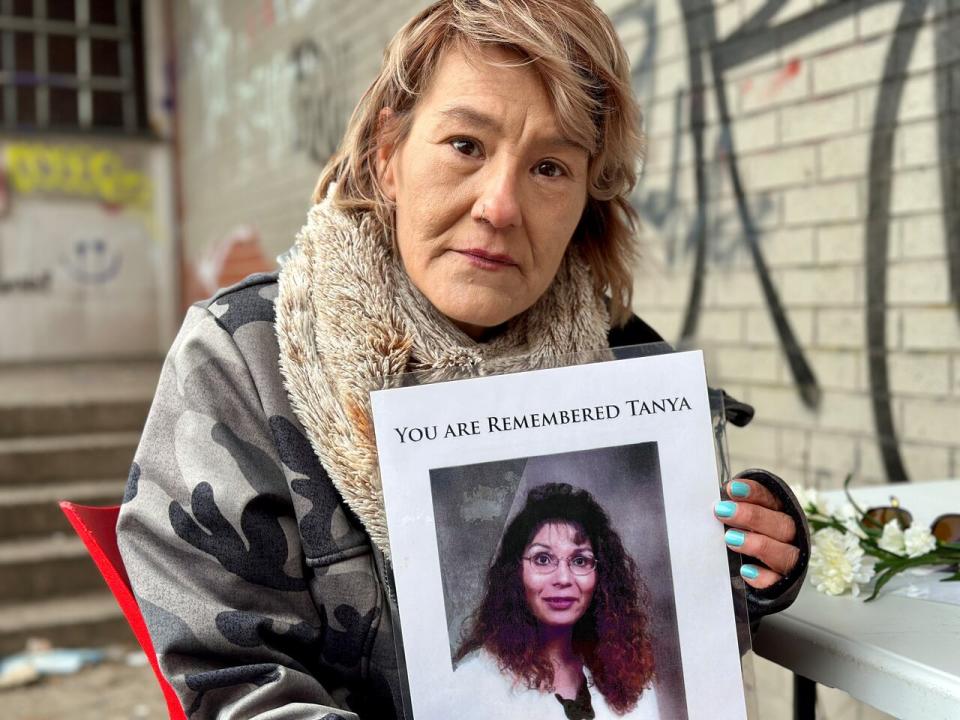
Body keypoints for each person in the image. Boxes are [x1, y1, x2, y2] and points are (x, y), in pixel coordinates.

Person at [117, 1, 809, 718]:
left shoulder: (623, 357)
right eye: (465, 146)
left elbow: (659, 636)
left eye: (549, 166)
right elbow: (232, 681)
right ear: (388, 154)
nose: (500, 206)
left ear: (583, 200)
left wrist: (751, 559)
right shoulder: (245, 359)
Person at [454, 483, 658, 719]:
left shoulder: (630, 679)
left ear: (601, 576)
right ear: (514, 572)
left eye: (580, 561)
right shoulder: (472, 687)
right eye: (542, 559)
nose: (563, 578)